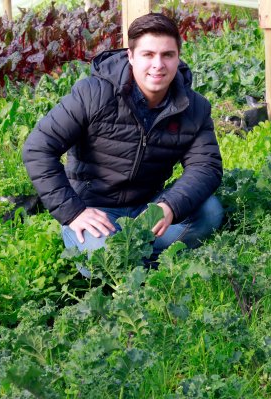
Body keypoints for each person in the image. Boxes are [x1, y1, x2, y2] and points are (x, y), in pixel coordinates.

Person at [22, 13, 224, 275]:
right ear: (130, 56)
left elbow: (206, 166)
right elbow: (38, 147)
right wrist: (74, 212)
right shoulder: (93, 93)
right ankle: (145, 259)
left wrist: (169, 206)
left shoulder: (193, 107)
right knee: (102, 257)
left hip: (148, 208)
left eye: (167, 55)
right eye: (148, 55)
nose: (158, 65)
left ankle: (133, 258)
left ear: (178, 56)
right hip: (96, 210)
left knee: (210, 212)